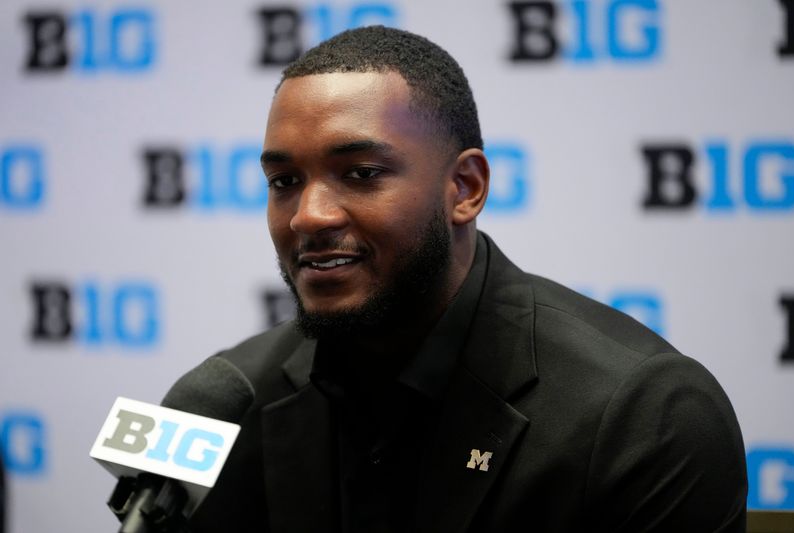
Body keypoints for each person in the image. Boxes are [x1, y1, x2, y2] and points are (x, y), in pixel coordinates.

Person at [187, 26, 747, 532]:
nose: (308, 216)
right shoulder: (225, 402)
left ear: (466, 188)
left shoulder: (644, 415)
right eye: (284, 180)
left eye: (360, 174)